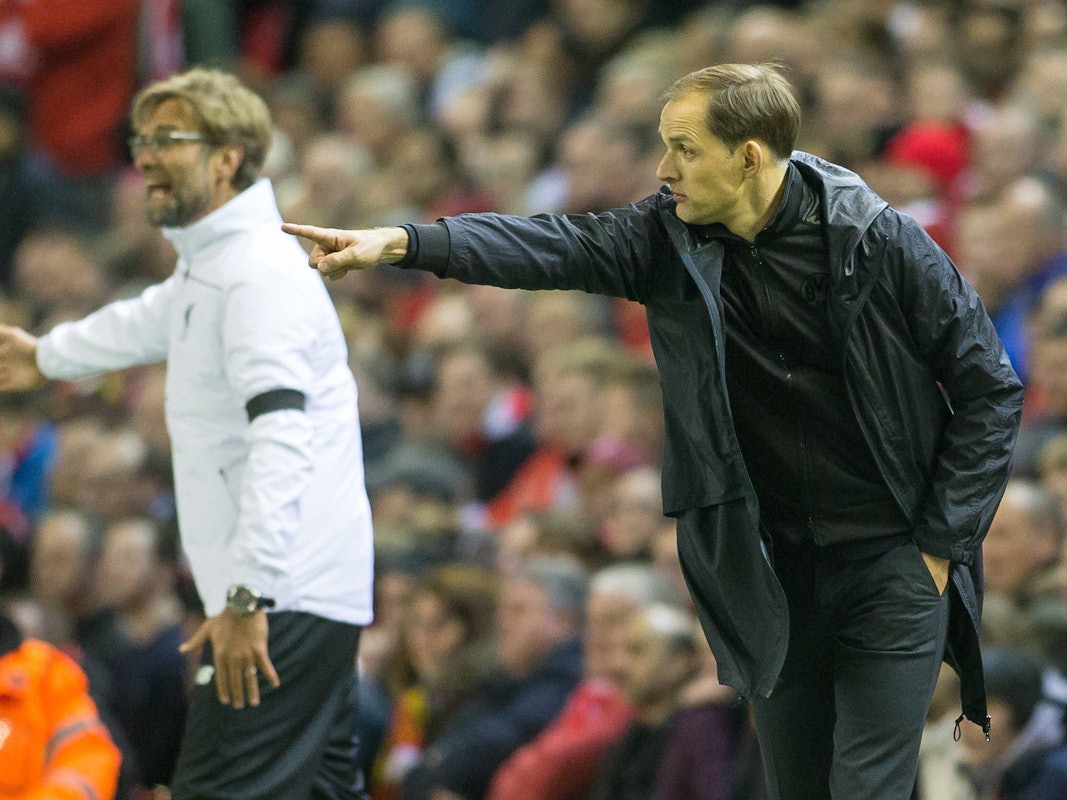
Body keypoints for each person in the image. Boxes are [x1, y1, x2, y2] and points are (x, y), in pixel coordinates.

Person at [284, 62, 1024, 799]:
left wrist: (938, 543)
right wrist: (403, 244)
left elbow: (988, 386)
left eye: (684, 148)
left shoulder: (878, 239)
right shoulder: (664, 236)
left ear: (748, 156)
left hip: (891, 561)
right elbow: (549, 247)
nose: (664, 168)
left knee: (867, 789)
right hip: (770, 569)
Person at [0, 67, 374, 799]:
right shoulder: (216, 267)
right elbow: (148, 318)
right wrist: (43, 355)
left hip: (277, 599)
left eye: (168, 138)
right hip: (297, 595)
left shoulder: (256, 275)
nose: (143, 155)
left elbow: (281, 437)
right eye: (140, 138)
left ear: (227, 157)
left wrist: (246, 598)